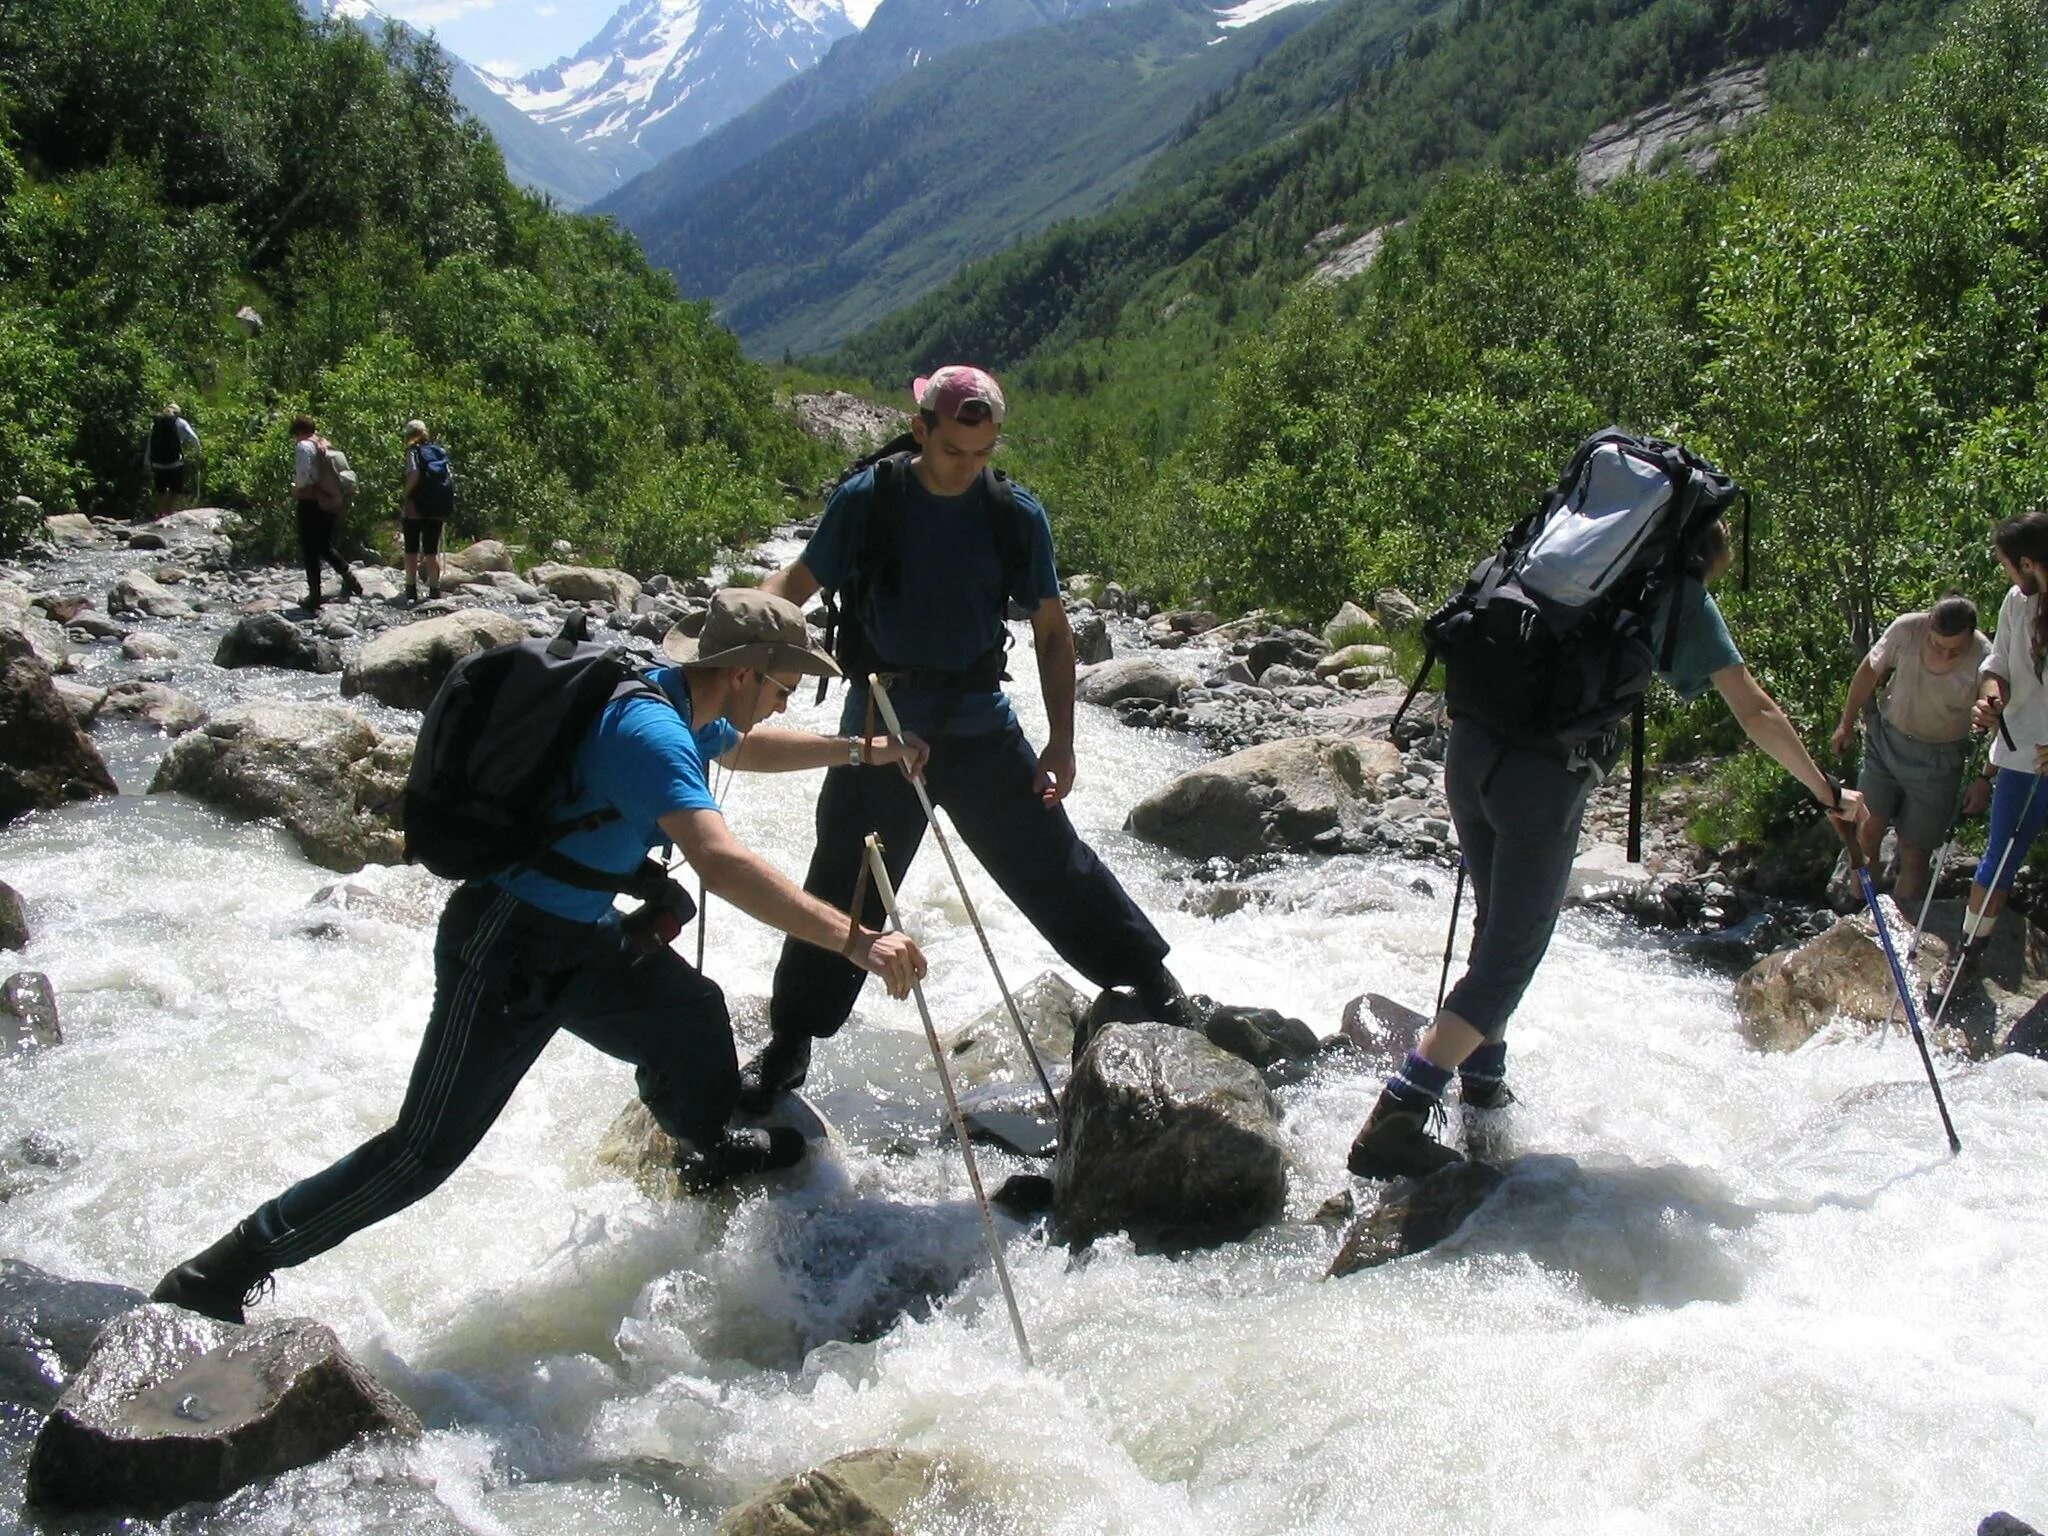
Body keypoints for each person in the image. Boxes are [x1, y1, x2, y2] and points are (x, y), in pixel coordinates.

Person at [150, 589, 932, 1325]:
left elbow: (748, 747)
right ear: (741, 672)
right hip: (506, 943)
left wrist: (864, 752)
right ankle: (219, 1271)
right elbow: (721, 864)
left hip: (578, 934)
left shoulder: (686, 703)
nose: (788, 697)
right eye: (785, 683)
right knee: (421, 1153)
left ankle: (706, 1151)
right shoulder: (652, 732)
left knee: (690, 1014)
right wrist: (857, 940)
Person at [1349, 517, 1865, 1179]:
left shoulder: (1559, 564)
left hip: (1470, 752)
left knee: (1494, 928)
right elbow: (1756, 711)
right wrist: (1826, 791)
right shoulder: (1673, 595)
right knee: (1511, 957)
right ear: (1699, 558)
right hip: (1540, 782)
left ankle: (1482, 1095)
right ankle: (1400, 1110)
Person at [738, 365, 1186, 1110]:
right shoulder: (869, 500)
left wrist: (1063, 743)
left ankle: (1151, 981)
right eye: (954, 452)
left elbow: (1050, 634)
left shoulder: (1015, 514)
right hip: (880, 727)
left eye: (982, 454)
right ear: (921, 432)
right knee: (847, 887)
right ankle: (790, 1044)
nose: (968, 467)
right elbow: (795, 585)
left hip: (980, 724)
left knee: (1051, 860)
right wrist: (731, 653)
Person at [1831, 596, 1991, 910]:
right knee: (1866, 831)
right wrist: (1846, 723)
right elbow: (1868, 671)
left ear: (1970, 636)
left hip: (1940, 760)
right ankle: (1857, 911)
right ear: (1929, 626)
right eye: (1937, 645)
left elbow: (1995, 714)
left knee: (1914, 853)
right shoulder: (1907, 629)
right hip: (1886, 743)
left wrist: (1985, 778)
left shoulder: (1985, 656)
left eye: (1954, 650)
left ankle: (1901, 931)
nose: (1945, 654)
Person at [1945, 512, 2048, 992]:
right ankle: (1968, 957)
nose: (2006, 573)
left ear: (2028, 562)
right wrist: (1991, 697)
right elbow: (1999, 663)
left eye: (2008, 564)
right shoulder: (2016, 602)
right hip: (2021, 752)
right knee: (1999, 857)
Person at [290, 414, 362, 611]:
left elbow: (304, 477)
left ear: (298, 432)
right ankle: (351, 580)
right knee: (323, 544)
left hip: (311, 502)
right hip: (330, 500)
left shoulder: (304, 446)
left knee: (309, 548)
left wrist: (297, 489)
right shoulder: (324, 444)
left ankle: (314, 596)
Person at [399, 418, 452, 603]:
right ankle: (435, 590)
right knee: (431, 551)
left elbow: (413, 474)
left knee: (411, 549)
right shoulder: (439, 452)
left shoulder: (413, 452)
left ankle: (411, 590)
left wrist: (405, 495)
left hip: (415, 507)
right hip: (436, 507)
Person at [144, 404, 200, 519]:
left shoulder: (156, 424)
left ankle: (159, 513)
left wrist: (147, 461)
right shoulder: (181, 423)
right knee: (175, 489)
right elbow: (194, 438)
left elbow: (150, 443)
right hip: (175, 462)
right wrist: (198, 451)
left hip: (158, 463)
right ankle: (169, 511)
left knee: (160, 490)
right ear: (178, 413)